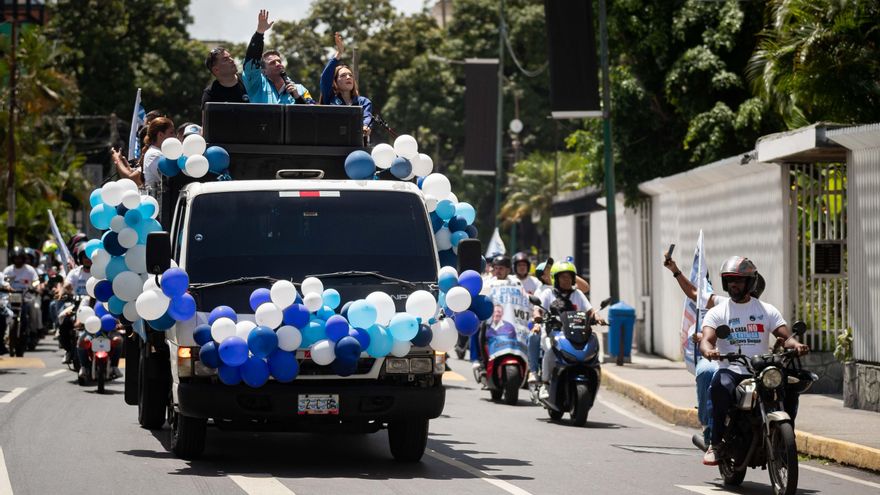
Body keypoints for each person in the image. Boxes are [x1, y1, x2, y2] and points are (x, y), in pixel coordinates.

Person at [699, 256, 808, 466]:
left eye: (739, 280)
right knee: (719, 386)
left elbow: (785, 337)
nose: (734, 284)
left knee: (790, 386)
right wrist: (710, 351)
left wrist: (796, 345)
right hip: (732, 368)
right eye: (730, 280)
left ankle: (785, 439)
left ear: (750, 283)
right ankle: (716, 444)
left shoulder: (766, 310)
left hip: (761, 370)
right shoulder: (717, 312)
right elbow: (706, 340)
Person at [663, 252, 767, 461]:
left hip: (754, 366)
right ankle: (710, 429)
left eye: (744, 283)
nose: (738, 288)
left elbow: (780, 333)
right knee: (707, 372)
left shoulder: (764, 310)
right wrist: (675, 271)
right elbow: (694, 293)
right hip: (723, 360)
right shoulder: (721, 304)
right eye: (733, 282)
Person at [532, 260, 605, 398]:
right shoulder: (548, 293)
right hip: (553, 333)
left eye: (569, 277)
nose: (566, 280)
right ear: (556, 279)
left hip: (576, 334)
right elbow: (537, 308)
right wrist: (537, 316)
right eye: (562, 277)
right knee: (549, 352)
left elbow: (590, 310)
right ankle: (545, 384)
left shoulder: (577, 294)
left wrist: (598, 317)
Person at [242, 10, 315, 105]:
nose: (278, 64)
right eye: (272, 63)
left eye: (279, 61)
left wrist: (297, 97)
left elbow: (312, 115)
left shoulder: (300, 89)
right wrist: (260, 33)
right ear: (263, 71)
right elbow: (251, 62)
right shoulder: (256, 85)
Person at [320, 32, 373, 137]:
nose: (348, 77)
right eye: (343, 75)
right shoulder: (329, 98)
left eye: (350, 75)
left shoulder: (364, 102)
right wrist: (339, 53)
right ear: (335, 81)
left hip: (355, 146)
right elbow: (325, 78)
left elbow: (367, 117)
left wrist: (365, 126)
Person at [1, 247, 40, 355]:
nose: (18, 260)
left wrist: (35, 287)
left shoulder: (30, 270)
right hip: (11, 298)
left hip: (26, 297)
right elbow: (3, 282)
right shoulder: (8, 270)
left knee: (34, 309)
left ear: (23, 258)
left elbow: (36, 281)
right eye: (16, 258)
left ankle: (33, 332)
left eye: (20, 258)